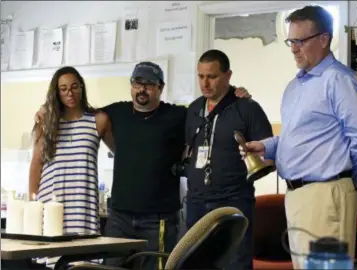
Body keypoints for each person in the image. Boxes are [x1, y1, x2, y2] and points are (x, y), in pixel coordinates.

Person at [34, 61, 250, 270]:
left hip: (159, 219)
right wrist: (46, 108)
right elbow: (77, 110)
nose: (142, 89)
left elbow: (211, 112)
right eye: (137, 83)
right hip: (119, 217)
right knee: (108, 268)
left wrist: (234, 96)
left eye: (148, 84)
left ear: (160, 87)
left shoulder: (178, 115)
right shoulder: (114, 113)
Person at [239, 5, 357, 269]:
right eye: (291, 41)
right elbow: (296, 136)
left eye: (300, 40)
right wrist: (265, 146)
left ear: (324, 39)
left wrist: (345, 181)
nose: (293, 48)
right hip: (297, 195)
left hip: (326, 195)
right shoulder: (296, 86)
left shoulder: (337, 80)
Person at [184, 49, 274, 269]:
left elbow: (271, 155)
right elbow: (188, 150)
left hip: (233, 200)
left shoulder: (247, 108)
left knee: (235, 263)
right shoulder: (194, 108)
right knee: (195, 263)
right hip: (196, 202)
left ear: (228, 75)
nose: (205, 83)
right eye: (201, 76)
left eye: (212, 77)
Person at [29, 66, 113, 267]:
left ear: (82, 88)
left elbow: (122, 153)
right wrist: (34, 204)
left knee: (83, 264)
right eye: (64, 89)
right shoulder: (48, 122)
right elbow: (36, 164)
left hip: (82, 207)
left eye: (74, 87)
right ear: (57, 92)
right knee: (52, 262)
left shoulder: (98, 121)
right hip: (51, 205)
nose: (70, 93)